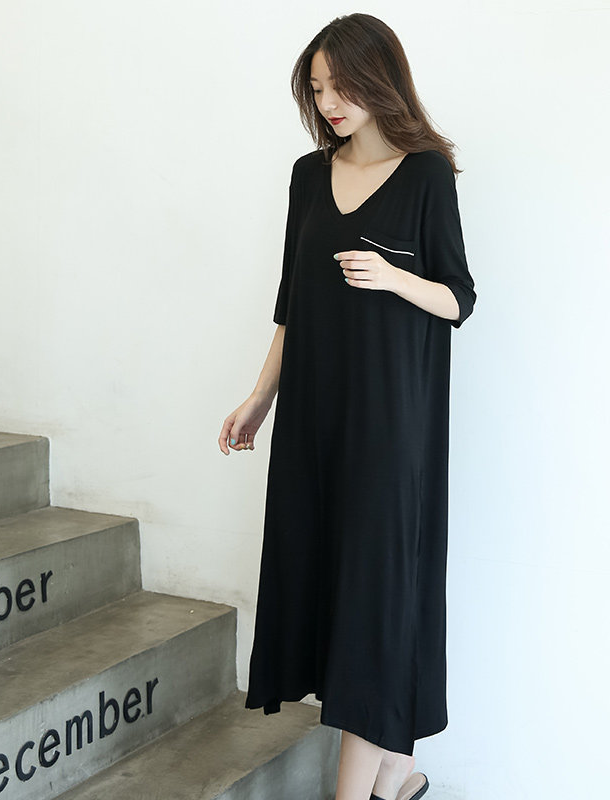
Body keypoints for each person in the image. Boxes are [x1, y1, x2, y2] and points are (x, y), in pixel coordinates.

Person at [218, 13, 476, 800]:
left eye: (342, 86)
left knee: (373, 598)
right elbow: (292, 307)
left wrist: (394, 277)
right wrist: (260, 398)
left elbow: (458, 299)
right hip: (313, 421)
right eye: (318, 88)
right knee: (331, 585)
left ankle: (356, 790)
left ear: (380, 80)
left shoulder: (425, 174)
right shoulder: (308, 176)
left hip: (390, 427)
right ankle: (397, 774)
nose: (328, 102)